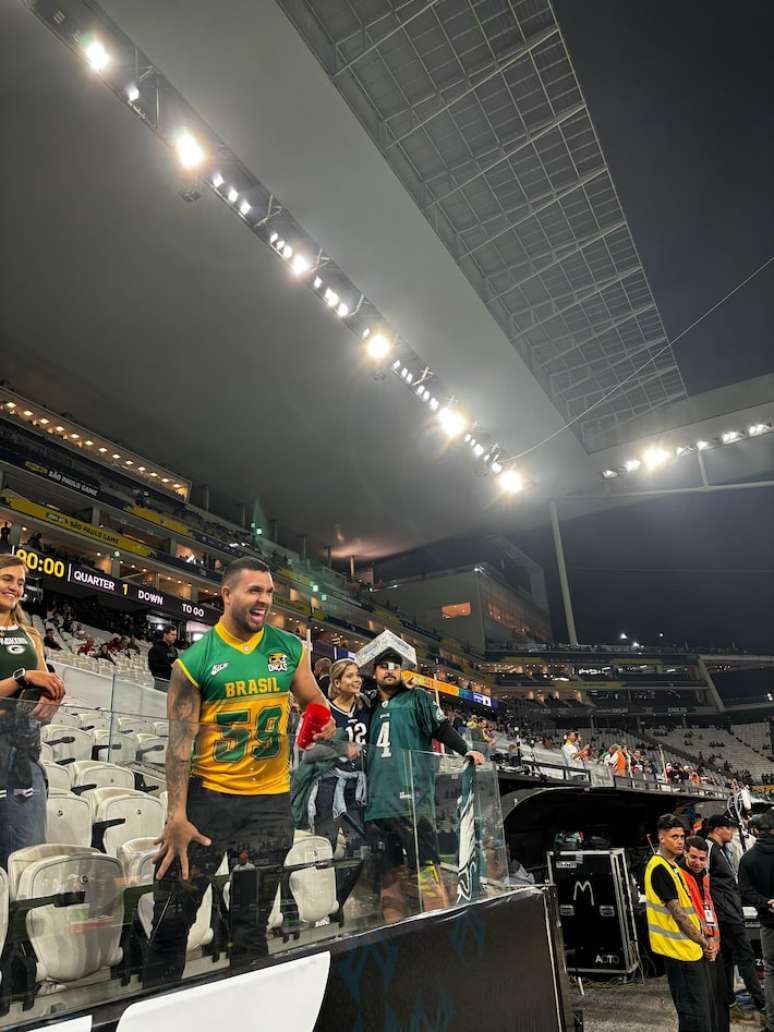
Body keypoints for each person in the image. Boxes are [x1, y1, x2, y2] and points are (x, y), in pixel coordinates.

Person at [143, 557, 335, 987]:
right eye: (254, 591)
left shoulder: (289, 648)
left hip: (269, 804)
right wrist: (176, 816)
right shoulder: (193, 662)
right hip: (209, 799)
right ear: (227, 595)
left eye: (268, 592)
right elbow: (178, 746)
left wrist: (322, 721)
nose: (264, 600)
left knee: (252, 927)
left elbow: (315, 703)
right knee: (172, 921)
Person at [362, 647, 484, 924]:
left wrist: (466, 749)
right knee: (389, 876)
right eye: (384, 666)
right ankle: (396, 934)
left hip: (413, 801)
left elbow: (440, 728)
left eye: (395, 665)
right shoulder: (367, 705)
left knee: (428, 871)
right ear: (374, 672)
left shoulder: (417, 697)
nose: (390, 670)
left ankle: (441, 928)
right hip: (378, 805)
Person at [291, 659, 371, 914]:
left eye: (358, 675)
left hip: (356, 789)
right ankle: (314, 908)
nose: (356, 680)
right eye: (349, 676)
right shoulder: (325, 712)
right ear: (336, 682)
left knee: (360, 850)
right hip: (328, 786)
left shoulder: (366, 708)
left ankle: (334, 902)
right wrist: (344, 747)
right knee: (322, 849)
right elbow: (309, 753)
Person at [0, 555, 65, 868]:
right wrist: (21, 678)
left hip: (22, 751)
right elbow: (27, 678)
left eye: (20, 582)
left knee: (25, 858)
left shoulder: (31, 636)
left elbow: (43, 688)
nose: (14, 587)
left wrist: (52, 696)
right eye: (7, 578)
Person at [644, 814, 713, 1031]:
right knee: (695, 1017)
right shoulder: (660, 868)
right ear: (661, 838)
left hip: (688, 950)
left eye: (682, 836)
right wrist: (704, 942)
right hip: (680, 953)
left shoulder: (672, 866)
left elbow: (688, 909)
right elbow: (679, 915)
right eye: (674, 836)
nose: (680, 841)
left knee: (695, 1015)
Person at [705, 813, 766, 1022]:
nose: (731, 832)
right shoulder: (709, 849)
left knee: (728, 959)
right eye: (728, 828)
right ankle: (761, 1002)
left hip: (730, 910)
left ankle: (728, 1001)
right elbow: (704, 885)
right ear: (717, 829)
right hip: (726, 914)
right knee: (746, 956)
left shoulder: (721, 849)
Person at [680, 836, 728, 1032]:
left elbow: (710, 911)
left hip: (711, 945)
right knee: (700, 1007)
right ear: (685, 853)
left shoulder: (705, 877)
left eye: (702, 858)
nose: (697, 862)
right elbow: (688, 915)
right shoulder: (680, 877)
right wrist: (706, 942)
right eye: (693, 857)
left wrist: (715, 940)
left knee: (718, 1000)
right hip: (694, 948)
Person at [738, 810, 774, 1032]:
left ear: (756, 832)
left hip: (769, 925)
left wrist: (767, 902)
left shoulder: (748, 858)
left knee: (771, 972)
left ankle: (772, 1023)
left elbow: (744, 892)